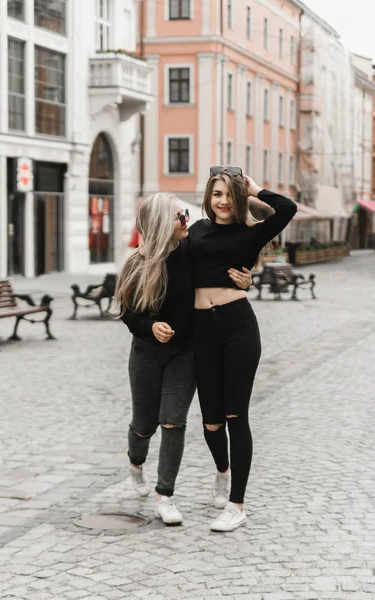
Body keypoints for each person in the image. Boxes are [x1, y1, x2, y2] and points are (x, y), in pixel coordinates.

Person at [114, 192, 252, 525]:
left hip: (185, 351)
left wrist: (248, 280)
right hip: (147, 352)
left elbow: (222, 274)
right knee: (145, 426)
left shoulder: (191, 252)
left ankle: (166, 497)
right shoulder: (138, 263)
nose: (186, 221)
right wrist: (151, 326)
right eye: (180, 217)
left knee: (173, 421)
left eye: (186, 216)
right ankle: (135, 462)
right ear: (164, 224)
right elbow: (128, 315)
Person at [187, 167, 297, 532]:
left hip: (238, 327)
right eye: (216, 194)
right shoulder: (195, 232)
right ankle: (222, 471)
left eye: (229, 194)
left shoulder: (251, 233)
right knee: (210, 421)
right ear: (209, 197)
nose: (222, 201)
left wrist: (254, 188)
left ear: (239, 198)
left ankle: (237, 504)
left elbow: (286, 208)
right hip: (202, 330)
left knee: (237, 417)